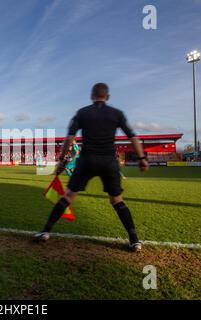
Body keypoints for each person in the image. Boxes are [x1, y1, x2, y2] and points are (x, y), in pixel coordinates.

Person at [33, 83, 149, 252]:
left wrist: (61, 160)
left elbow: (69, 138)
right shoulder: (117, 114)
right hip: (109, 161)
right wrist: (142, 158)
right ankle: (134, 241)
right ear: (107, 96)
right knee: (117, 200)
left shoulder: (82, 112)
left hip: (87, 160)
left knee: (68, 196)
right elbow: (133, 137)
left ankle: (45, 232)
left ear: (92, 96)